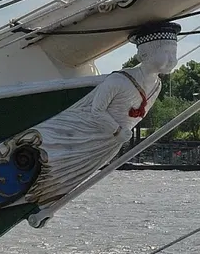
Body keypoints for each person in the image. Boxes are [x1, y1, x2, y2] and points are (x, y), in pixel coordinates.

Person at [27, 23, 180, 207]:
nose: (172, 59)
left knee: (73, 174)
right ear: (144, 55)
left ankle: (44, 196)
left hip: (108, 144)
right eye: (166, 53)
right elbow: (97, 110)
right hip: (85, 133)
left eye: (174, 53)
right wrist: (117, 130)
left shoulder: (157, 85)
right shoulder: (118, 81)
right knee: (56, 163)